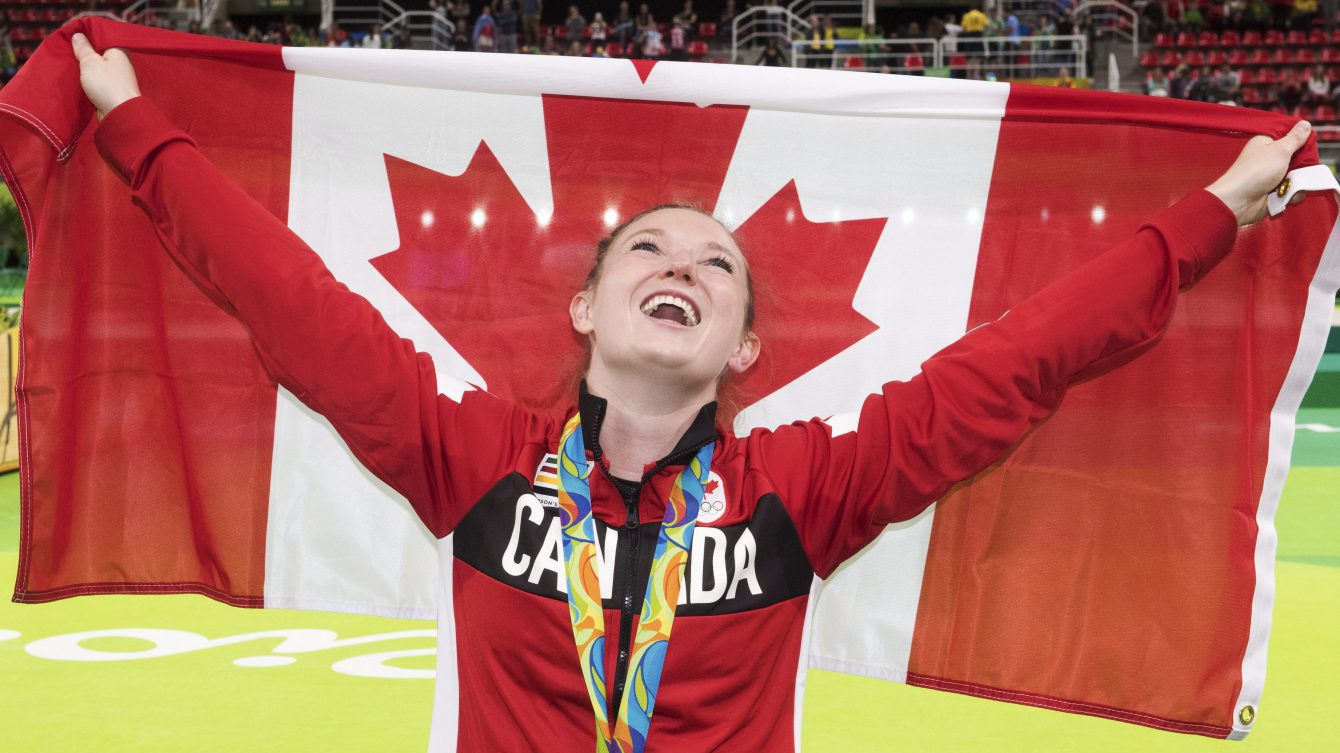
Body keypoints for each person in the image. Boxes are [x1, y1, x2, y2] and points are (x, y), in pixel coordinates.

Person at [70, 31, 1311, 753]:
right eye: (647, 252)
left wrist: (1205, 219)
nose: (681, 266)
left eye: (715, 263)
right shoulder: (475, 461)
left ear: (744, 349)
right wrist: (137, 130)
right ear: (584, 309)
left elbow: (1018, 361)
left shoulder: (807, 489)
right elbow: (295, 306)